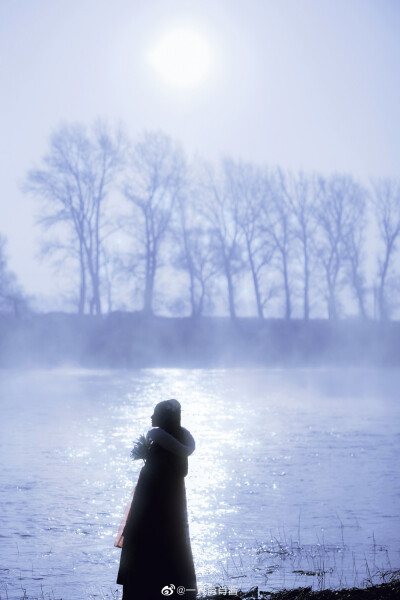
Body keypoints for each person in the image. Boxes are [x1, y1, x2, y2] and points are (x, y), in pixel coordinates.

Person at [116, 399, 197, 600]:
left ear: (165, 418)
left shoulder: (163, 445)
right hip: (171, 507)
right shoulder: (174, 445)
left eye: (155, 414)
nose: (151, 417)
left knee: (148, 548)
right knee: (170, 547)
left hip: (152, 509)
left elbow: (154, 479)